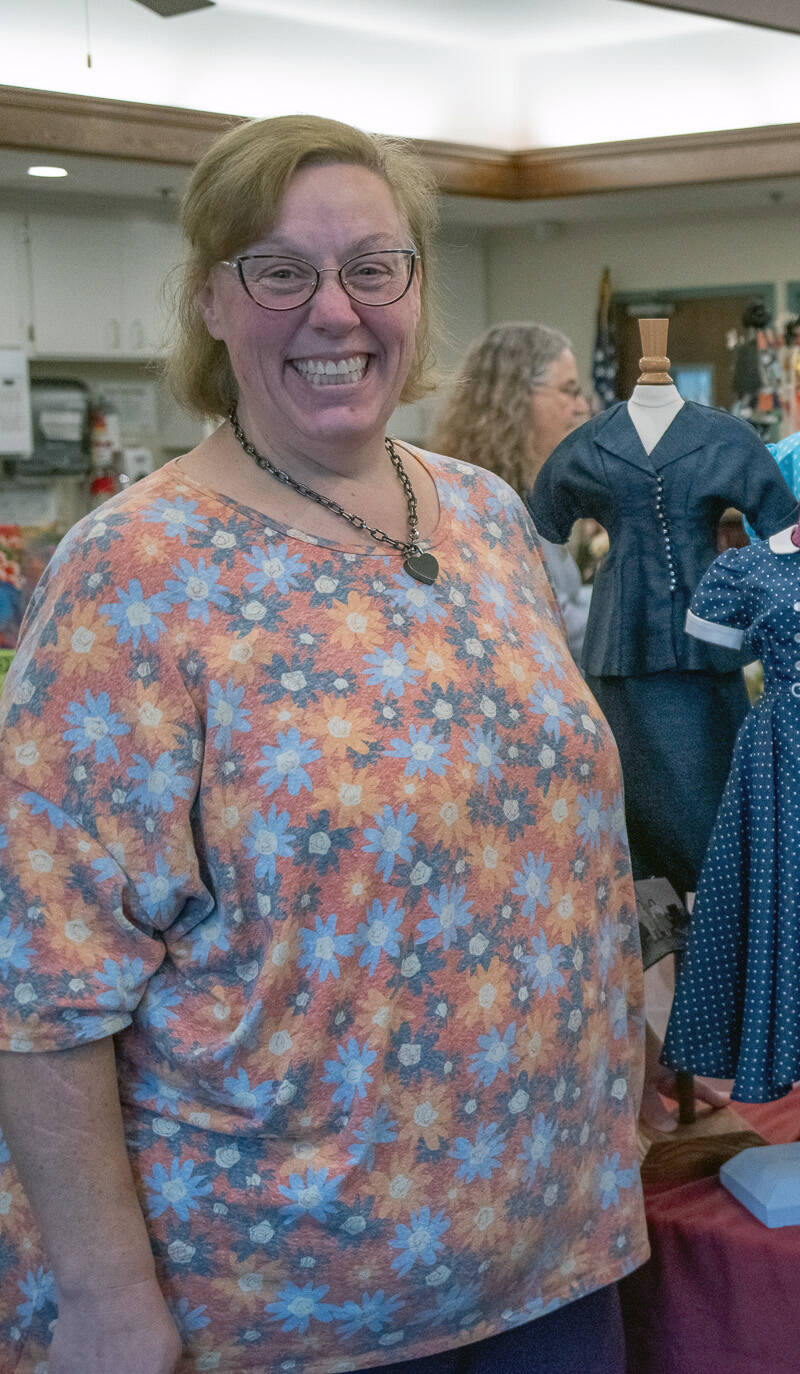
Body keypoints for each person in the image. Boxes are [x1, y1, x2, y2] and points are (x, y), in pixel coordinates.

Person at [0, 114, 647, 1374]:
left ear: (416, 288)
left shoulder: (486, 518)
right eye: (280, 271)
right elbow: (40, 975)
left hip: (552, 1246)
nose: (334, 310)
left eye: (371, 267)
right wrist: (105, 1297)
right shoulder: (134, 571)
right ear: (210, 301)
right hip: (274, 1295)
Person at [429, 322, 595, 662]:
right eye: (569, 390)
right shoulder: (484, 506)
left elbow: (569, 599)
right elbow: (552, 627)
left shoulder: (526, 491)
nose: (583, 407)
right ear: (516, 399)